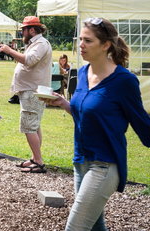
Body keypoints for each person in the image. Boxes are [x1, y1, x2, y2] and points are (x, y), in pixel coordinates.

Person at [44, 18, 150, 231]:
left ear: (106, 45)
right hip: (80, 162)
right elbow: (87, 112)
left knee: (75, 228)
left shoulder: (124, 81)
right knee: (95, 226)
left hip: (105, 165)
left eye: (88, 41)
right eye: (80, 39)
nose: (81, 45)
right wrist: (64, 103)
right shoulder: (82, 73)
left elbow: (143, 124)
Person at [0, 16, 52, 173]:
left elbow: (29, 60)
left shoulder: (41, 44)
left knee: (29, 126)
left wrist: (9, 51)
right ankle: (35, 158)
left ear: (32, 30)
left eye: (24, 29)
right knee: (34, 125)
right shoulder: (36, 43)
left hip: (33, 91)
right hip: (31, 89)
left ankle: (39, 162)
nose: (22, 32)